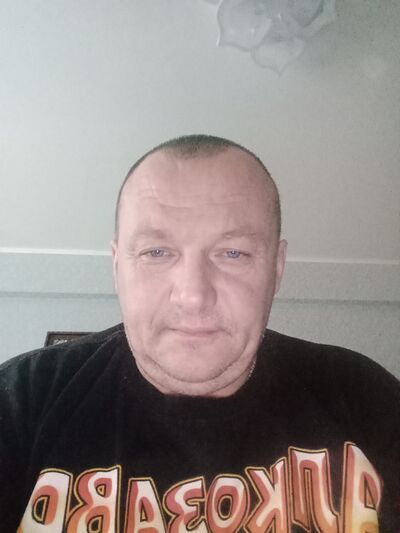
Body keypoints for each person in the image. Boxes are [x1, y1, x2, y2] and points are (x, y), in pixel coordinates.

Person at [0, 134, 398, 532]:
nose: (193, 295)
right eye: (156, 252)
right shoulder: (22, 401)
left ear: (276, 268)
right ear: (117, 266)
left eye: (233, 253)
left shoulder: (363, 399)